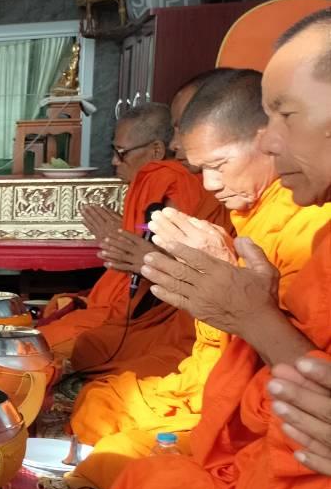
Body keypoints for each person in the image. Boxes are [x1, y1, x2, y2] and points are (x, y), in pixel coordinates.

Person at [72, 10, 331, 489]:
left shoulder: (303, 225)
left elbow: (287, 379)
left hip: (291, 485)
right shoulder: (289, 224)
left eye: (285, 117)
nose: (272, 141)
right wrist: (190, 279)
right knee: (111, 458)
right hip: (264, 454)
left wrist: (249, 314)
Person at [67, 69, 331, 489]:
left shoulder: (312, 225)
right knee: (99, 408)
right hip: (220, 381)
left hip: (262, 412)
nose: (208, 183)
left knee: (124, 471)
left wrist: (229, 296)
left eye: (217, 165)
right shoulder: (251, 210)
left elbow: (296, 363)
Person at [36, 101, 226, 378]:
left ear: (156, 151)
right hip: (153, 307)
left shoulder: (162, 175)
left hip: (160, 312)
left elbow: (168, 251)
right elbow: (151, 236)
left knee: (45, 346)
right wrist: (127, 241)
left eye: (121, 153)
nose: (114, 161)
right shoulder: (175, 181)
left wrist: (131, 248)